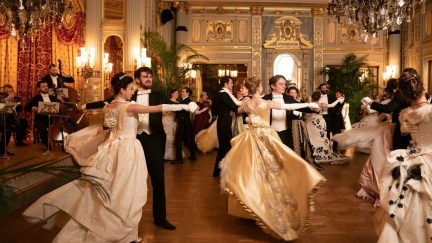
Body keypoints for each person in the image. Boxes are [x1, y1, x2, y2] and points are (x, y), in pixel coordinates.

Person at [23, 74, 196, 242]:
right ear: (122, 90)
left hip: (111, 149)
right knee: (128, 191)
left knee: (114, 189)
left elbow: (107, 126)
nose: (131, 93)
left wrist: (107, 125)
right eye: (130, 89)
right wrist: (185, 107)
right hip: (128, 150)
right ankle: (122, 231)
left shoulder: (108, 107)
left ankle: (126, 232)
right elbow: (158, 108)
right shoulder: (129, 106)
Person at [219, 76, 326, 241]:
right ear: (259, 89)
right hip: (265, 136)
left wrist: (249, 119)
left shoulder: (246, 103)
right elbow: (287, 106)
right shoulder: (264, 103)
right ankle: (263, 202)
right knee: (272, 169)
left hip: (250, 136)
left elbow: (238, 112)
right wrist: (308, 104)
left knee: (252, 170)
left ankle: (255, 200)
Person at [375, 71, 432, 242]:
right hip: (429, 157)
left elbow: (404, 132)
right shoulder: (430, 111)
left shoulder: (404, 113)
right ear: (423, 89)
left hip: (413, 157)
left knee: (405, 200)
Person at [131, 66, 185, 230]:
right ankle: (130, 221)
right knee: (132, 182)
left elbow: (173, 105)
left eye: (150, 77)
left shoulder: (157, 95)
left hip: (154, 140)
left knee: (158, 180)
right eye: (145, 77)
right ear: (137, 80)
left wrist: (188, 106)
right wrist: (85, 107)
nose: (149, 79)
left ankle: (160, 218)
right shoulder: (129, 96)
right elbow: (110, 102)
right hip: (135, 141)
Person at [362, 73, 411, 150]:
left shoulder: (400, 93)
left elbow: (388, 108)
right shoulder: (406, 92)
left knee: (398, 148)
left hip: (401, 124)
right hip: (403, 123)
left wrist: (371, 102)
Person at [305, 91, 347, 164]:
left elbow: (306, 114)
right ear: (319, 97)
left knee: (312, 137)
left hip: (311, 122)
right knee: (320, 137)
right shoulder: (320, 104)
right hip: (319, 122)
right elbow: (332, 105)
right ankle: (319, 152)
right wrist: (338, 99)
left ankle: (311, 152)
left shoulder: (310, 104)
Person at [286, 86, 323, 170]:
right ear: (288, 94)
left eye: (294, 92)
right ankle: (295, 163)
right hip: (292, 125)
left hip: (301, 124)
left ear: (297, 94)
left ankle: (304, 160)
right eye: (291, 93)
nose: (293, 94)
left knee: (304, 142)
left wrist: (315, 109)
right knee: (293, 142)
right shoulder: (287, 103)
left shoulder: (301, 102)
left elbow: (307, 110)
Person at [212, 76, 240, 177]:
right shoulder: (224, 94)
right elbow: (234, 107)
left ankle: (219, 171)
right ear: (225, 84)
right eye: (231, 83)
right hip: (225, 121)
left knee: (224, 146)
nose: (232, 85)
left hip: (222, 120)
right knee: (225, 146)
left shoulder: (219, 94)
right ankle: (219, 171)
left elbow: (213, 110)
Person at [24, 80, 63, 148]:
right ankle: (46, 144)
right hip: (40, 118)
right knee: (42, 126)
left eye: (46, 86)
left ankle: (62, 142)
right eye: (43, 86)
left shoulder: (52, 97)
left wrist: (61, 100)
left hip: (52, 118)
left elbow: (60, 107)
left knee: (61, 124)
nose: (45, 88)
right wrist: (34, 108)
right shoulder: (36, 98)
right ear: (39, 88)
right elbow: (27, 107)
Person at [174, 87, 197, 163]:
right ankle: (193, 156)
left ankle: (179, 159)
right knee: (186, 141)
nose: (182, 93)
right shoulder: (184, 100)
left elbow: (187, 110)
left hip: (183, 123)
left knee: (178, 140)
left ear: (187, 93)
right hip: (185, 123)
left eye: (183, 91)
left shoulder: (188, 101)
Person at [163, 89, 179, 161]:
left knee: (174, 139)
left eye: (178, 93)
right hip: (167, 121)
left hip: (173, 121)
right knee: (168, 138)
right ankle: (166, 155)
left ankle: (174, 154)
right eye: (176, 93)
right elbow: (164, 112)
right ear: (172, 94)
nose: (177, 94)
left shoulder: (178, 103)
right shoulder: (168, 102)